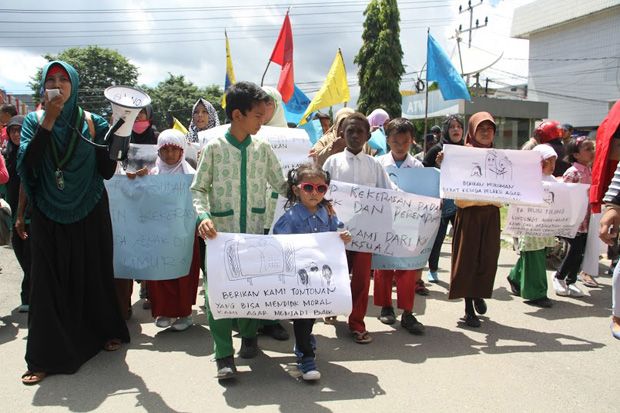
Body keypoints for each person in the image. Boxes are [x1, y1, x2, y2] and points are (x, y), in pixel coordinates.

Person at [16, 61, 129, 385]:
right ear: (43, 88)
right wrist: (49, 120)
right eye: (51, 80)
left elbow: (106, 171)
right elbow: (28, 165)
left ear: (74, 85)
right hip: (48, 211)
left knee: (93, 273)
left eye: (63, 79)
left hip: (90, 208)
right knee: (46, 284)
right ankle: (43, 356)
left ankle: (105, 331)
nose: (57, 84)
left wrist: (121, 132)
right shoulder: (33, 122)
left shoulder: (92, 123)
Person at [191, 81, 288, 379]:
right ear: (237, 115)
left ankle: (249, 335)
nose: (263, 121)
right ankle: (223, 355)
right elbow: (198, 189)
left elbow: (281, 184)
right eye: (258, 116)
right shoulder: (215, 148)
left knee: (251, 287)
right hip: (220, 235)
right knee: (217, 293)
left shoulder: (263, 148)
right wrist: (203, 216)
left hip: (254, 233)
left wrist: (312, 189)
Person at [273, 163, 352, 380]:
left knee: (312, 315)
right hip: (299, 280)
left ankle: (306, 340)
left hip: (321, 278)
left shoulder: (327, 212)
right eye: (308, 187)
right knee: (302, 316)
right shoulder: (289, 218)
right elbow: (278, 244)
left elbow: (338, 230)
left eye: (321, 189)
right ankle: (305, 357)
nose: (315, 193)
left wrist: (344, 236)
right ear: (297, 189)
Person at [323, 112, 395, 344]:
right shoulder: (332, 162)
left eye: (359, 131)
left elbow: (389, 191)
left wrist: (416, 202)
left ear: (368, 134)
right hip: (337, 233)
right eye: (350, 130)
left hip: (366, 234)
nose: (354, 135)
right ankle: (333, 306)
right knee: (337, 276)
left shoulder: (374, 165)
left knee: (362, 280)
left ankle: (357, 322)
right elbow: (322, 194)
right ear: (342, 133)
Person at [131, 129, 200, 331]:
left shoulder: (191, 176)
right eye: (165, 150)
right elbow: (138, 200)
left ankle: (184, 313)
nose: (170, 154)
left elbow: (198, 202)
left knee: (182, 275)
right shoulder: (151, 174)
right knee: (161, 275)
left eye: (175, 149)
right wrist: (138, 181)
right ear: (158, 152)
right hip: (158, 237)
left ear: (182, 152)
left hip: (183, 236)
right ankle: (164, 311)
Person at [449, 112, 501, 328]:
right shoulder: (462, 154)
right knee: (468, 260)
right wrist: (446, 163)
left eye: (490, 128)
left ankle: (478, 293)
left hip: (491, 214)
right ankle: (469, 308)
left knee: (487, 258)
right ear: (472, 131)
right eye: (481, 128)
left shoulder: (501, 157)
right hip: (470, 214)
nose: (486, 131)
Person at [374, 118, 425, 335]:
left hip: (409, 224)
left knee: (407, 268)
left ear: (412, 141)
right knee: (384, 266)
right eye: (395, 140)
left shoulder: (419, 167)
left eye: (405, 141)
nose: (400, 145)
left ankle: (408, 312)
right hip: (384, 221)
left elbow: (426, 194)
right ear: (387, 140)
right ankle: (386, 306)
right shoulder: (378, 164)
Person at [258, 85, 291, 341]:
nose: (264, 108)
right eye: (259, 102)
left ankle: (272, 318)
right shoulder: (247, 134)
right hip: (254, 208)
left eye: (268, 102)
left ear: (277, 106)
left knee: (277, 265)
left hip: (281, 210)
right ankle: (249, 318)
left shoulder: (293, 139)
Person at [507, 144, 558, 308]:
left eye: (554, 162)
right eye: (549, 162)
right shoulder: (528, 179)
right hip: (531, 228)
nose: (553, 166)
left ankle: (515, 277)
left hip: (545, 227)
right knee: (534, 257)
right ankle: (537, 293)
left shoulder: (553, 180)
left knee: (534, 256)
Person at [423, 115, 464, 283]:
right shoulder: (436, 150)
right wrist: (438, 166)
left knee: (462, 240)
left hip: (461, 202)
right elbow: (425, 173)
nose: (456, 129)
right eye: (452, 126)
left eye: (459, 126)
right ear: (446, 130)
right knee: (438, 239)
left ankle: (460, 271)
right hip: (440, 203)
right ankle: (432, 269)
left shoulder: (467, 150)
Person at [553, 137, 595, 297]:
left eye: (592, 148)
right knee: (575, 250)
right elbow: (565, 197)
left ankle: (571, 280)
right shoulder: (573, 173)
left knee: (581, 251)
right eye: (588, 149)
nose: (592, 152)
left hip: (585, 219)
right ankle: (559, 276)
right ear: (576, 155)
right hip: (573, 220)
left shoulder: (588, 171)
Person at [4, 115, 31, 312]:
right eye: (12, 130)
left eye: (19, 130)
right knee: (20, 253)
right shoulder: (7, 155)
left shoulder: (31, 153)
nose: (16, 134)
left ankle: (29, 295)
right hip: (12, 212)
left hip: (30, 214)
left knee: (31, 255)